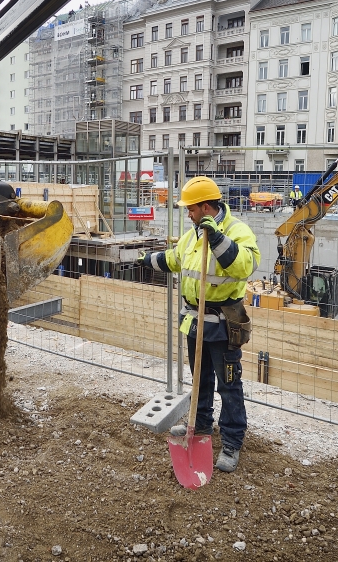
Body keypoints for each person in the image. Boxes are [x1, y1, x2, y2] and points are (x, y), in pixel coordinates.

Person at [139, 176, 260, 472]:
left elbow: (246, 265)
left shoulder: (237, 230)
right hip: (195, 322)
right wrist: (146, 259)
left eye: (190, 209)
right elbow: (176, 259)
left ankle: (231, 442)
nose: (187, 214)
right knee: (199, 380)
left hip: (223, 324)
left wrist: (217, 238)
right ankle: (201, 426)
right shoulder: (193, 233)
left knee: (229, 385)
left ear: (205, 207)